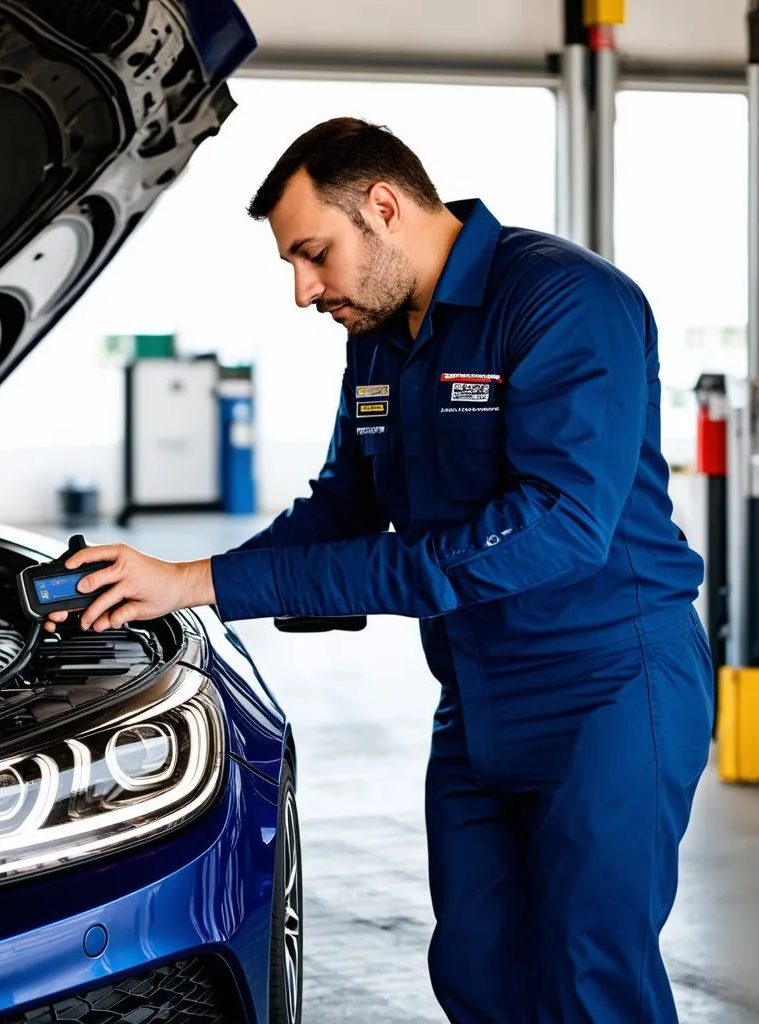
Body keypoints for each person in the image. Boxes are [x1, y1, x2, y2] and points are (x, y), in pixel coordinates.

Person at [45, 118, 714, 1023]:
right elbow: (341, 512)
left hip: (608, 689)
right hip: (477, 698)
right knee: (478, 971)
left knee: (590, 979)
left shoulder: (563, 300)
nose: (302, 289)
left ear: (385, 207)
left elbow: (557, 531)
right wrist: (171, 580)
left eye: (313, 254)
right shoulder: (378, 338)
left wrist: (205, 584)